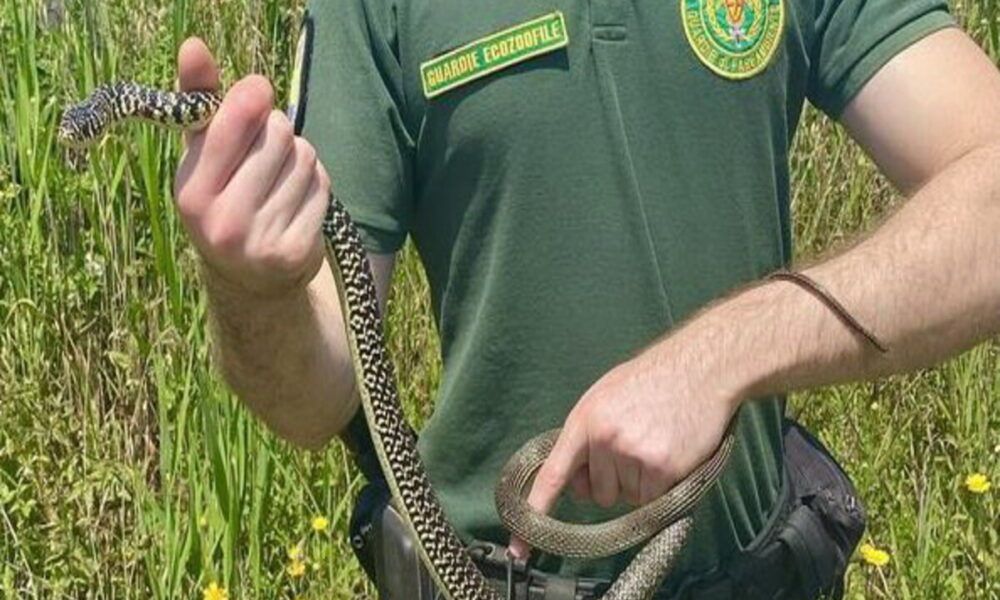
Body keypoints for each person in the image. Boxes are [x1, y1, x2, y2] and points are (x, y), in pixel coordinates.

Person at [171, 0, 1000, 595]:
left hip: (755, 567)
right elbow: (314, 401)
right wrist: (254, 287)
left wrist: (719, 357)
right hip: (479, 574)